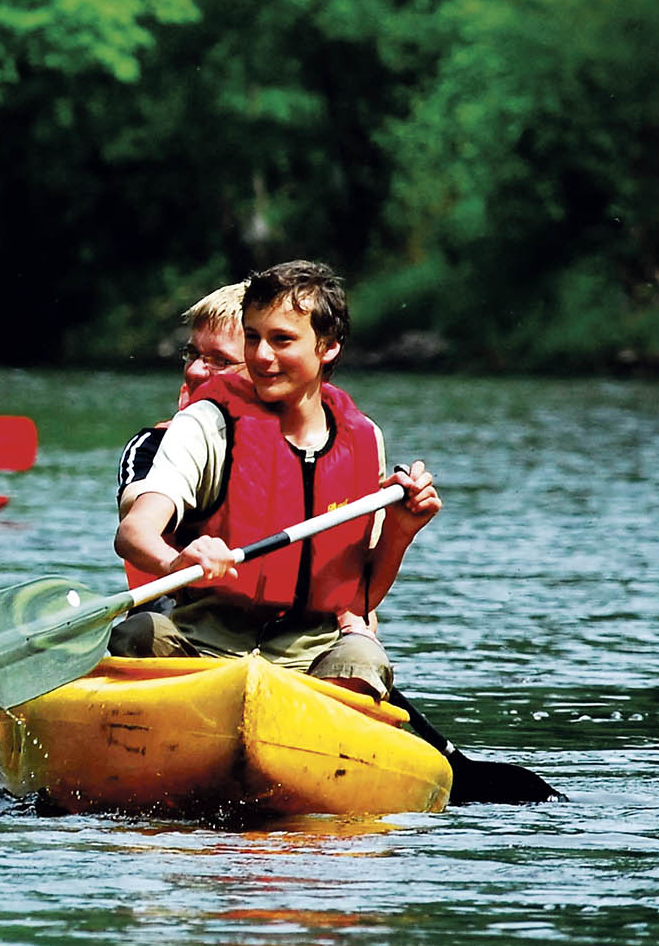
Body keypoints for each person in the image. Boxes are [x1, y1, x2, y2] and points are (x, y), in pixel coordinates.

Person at [110, 260, 441, 701]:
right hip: (203, 644)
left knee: (365, 659)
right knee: (139, 633)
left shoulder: (363, 439)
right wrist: (177, 562)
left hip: (312, 654)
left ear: (328, 347)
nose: (262, 356)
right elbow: (134, 532)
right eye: (253, 338)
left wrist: (401, 530)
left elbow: (361, 597)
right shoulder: (207, 423)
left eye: (281, 340)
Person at [117, 281, 247, 497]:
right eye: (192, 354)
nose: (194, 371)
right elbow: (136, 507)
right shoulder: (153, 445)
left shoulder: (308, 443)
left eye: (221, 361)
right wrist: (146, 512)